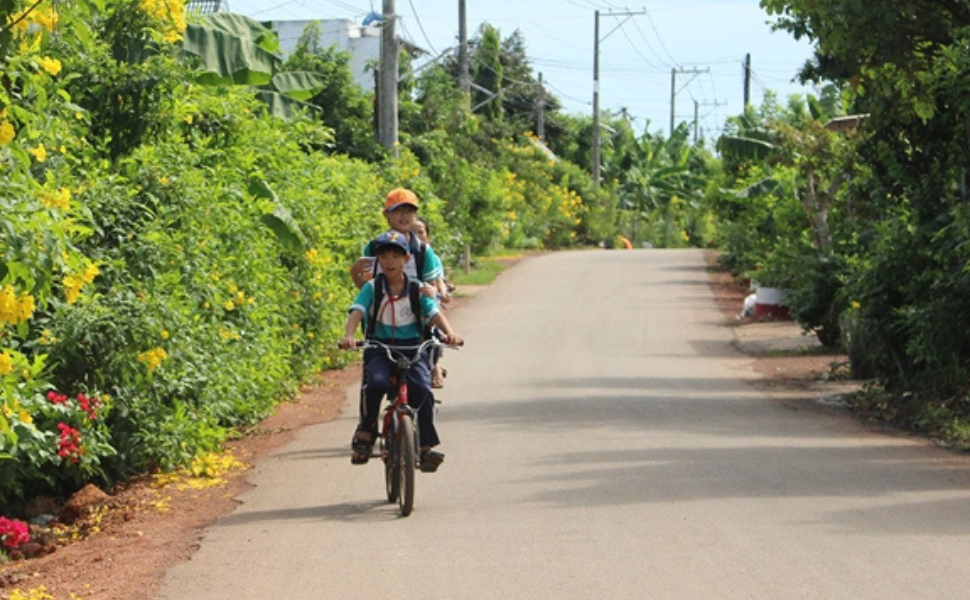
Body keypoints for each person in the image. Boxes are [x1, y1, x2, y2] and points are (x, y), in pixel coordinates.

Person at [339, 231, 463, 472]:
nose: (389, 262)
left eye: (396, 256)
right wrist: (349, 336)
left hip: (413, 348)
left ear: (406, 260)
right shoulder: (372, 288)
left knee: (423, 390)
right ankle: (367, 430)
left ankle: (425, 445)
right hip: (380, 348)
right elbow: (357, 311)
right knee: (374, 383)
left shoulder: (418, 290)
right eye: (383, 256)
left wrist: (450, 333)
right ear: (377, 261)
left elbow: (434, 313)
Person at [349, 188, 445, 293]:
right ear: (386, 214)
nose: (404, 216)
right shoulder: (373, 247)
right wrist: (354, 273)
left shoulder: (423, 250)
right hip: (381, 308)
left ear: (415, 215)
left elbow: (432, 286)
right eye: (398, 211)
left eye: (409, 211)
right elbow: (366, 289)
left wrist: (432, 291)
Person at [412, 216, 452, 388]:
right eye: (413, 232)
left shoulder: (430, 256)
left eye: (420, 232)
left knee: (430, 329)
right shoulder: (395, 253)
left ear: (427, 236)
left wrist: (441, 293)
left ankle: (434, 366)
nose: (417, 235)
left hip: (426, 298)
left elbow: (438, 280)